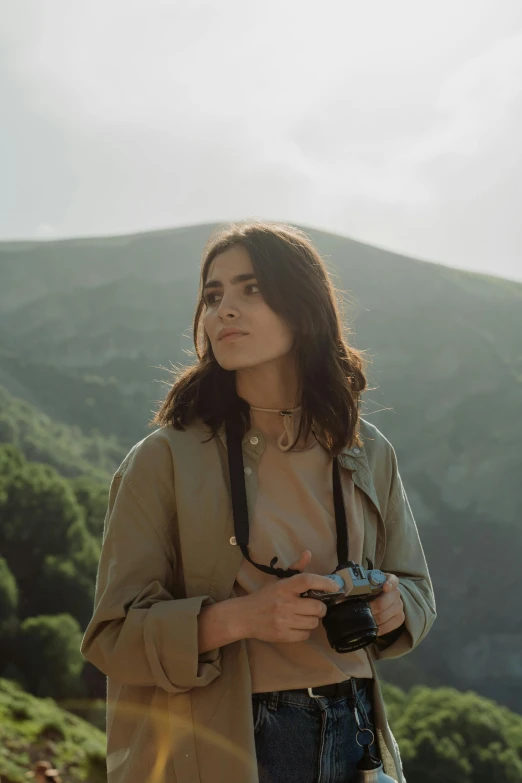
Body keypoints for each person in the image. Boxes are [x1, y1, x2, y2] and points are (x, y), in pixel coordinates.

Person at [81, 220, 436, 783]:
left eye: (251, 289)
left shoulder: (367, 449)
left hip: (357, 730)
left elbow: (415, 585)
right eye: (213, 295)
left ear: (303, 308)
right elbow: (112, 639)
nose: (223, 309)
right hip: (236, 739)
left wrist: (397, 608)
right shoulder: (163, 459)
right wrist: (240, 619)